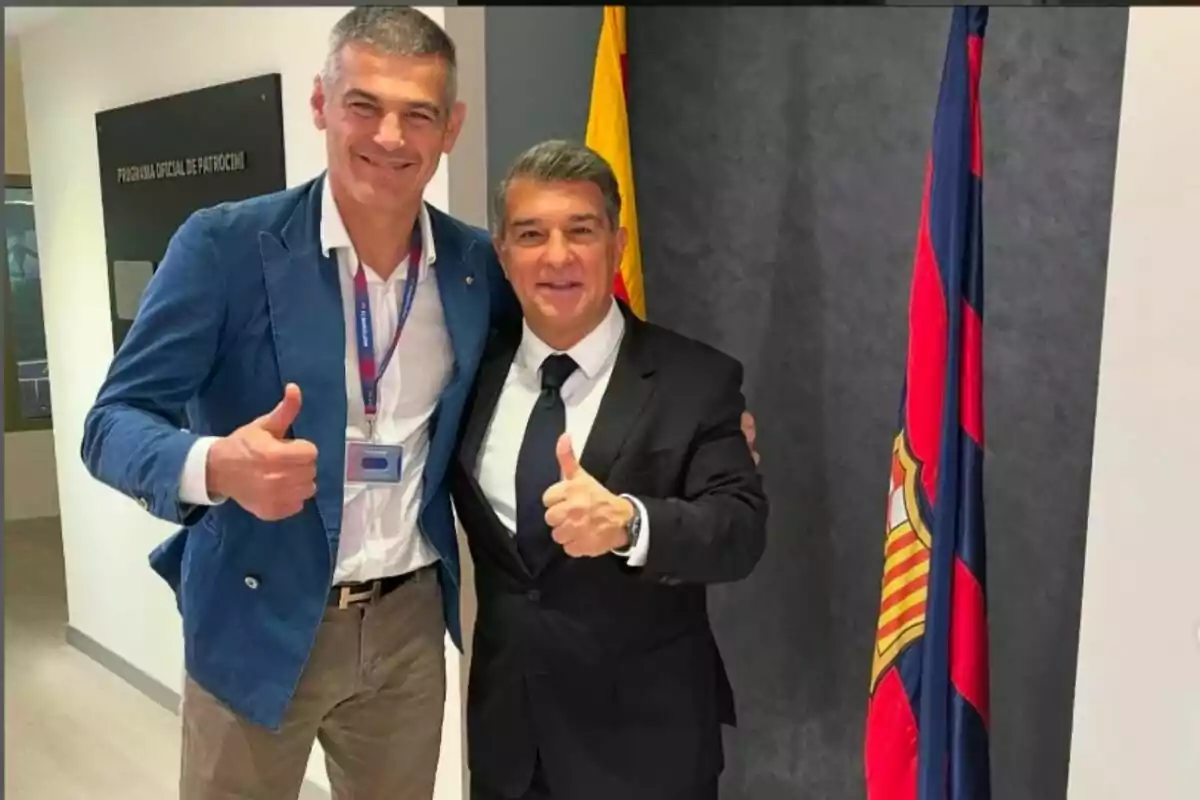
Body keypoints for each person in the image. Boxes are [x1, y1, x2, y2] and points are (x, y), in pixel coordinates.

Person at [80, 7, 515, 799]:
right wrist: (213, 464)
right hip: (255, 611)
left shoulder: (473, 266)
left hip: (408, 622)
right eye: (364, 106)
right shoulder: (224, 247)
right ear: (321, 105)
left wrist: (697, 422)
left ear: (450, 128)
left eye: (418, 113)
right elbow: (110, 423)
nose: (390, 136)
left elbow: (559, 353)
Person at [451, 140, 769, 800]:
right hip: (509, 742)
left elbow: (739, 530)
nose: (558, 256)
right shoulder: (467, 378)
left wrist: (632, 522)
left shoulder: (695, 380)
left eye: (581, 231)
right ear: (504, 253)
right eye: (532, 234)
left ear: (617, 244)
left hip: (646, 748)